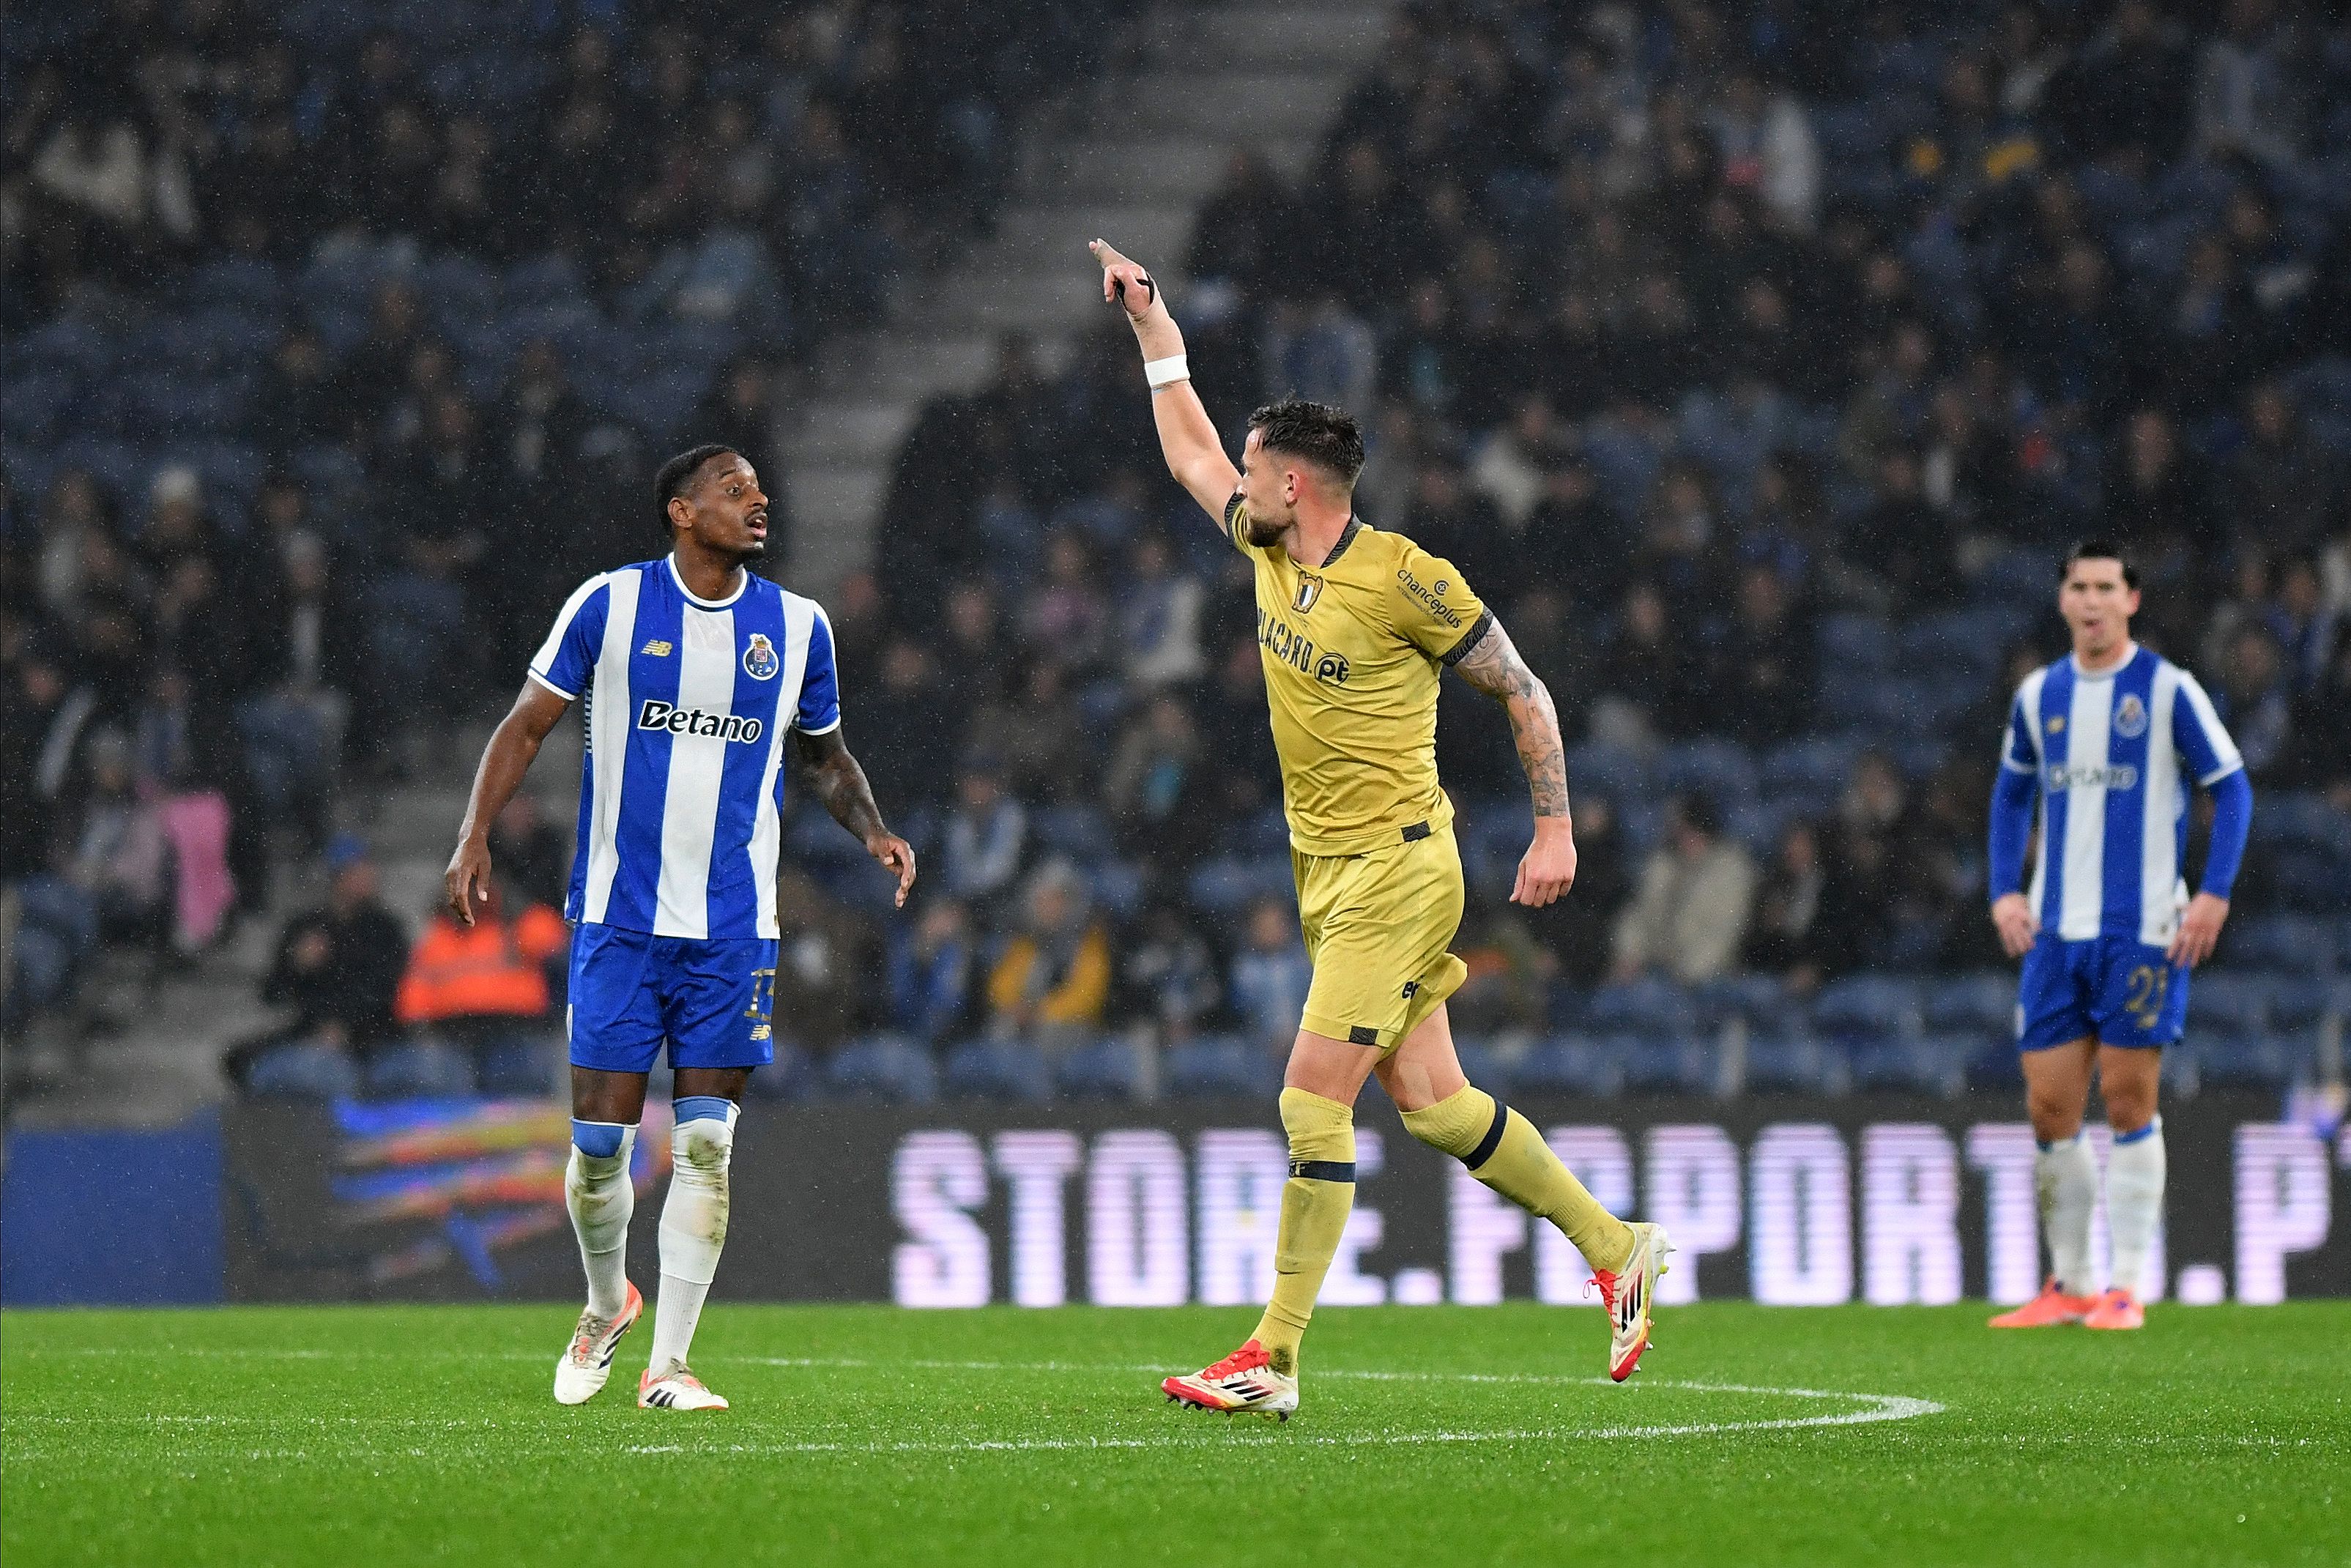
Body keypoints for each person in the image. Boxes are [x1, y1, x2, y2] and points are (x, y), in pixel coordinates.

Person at [1091, 239, 1668, 1417]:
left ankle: (1274, 1357)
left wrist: (1553, 830)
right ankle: (1617, 1247)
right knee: (1437, 1105)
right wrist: (1154, 328)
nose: (1238, 484)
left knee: (1312, 1097)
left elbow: (1522, 688)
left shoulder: (1407, 577)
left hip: (1400, 870)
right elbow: (1190, 447)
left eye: (1258, 471)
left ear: (1294, 482)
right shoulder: (1262, 546)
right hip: (1327, 873)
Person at [443, 444, 915, 1413]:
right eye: (732, 490)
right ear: (680, 510)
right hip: (618, 918)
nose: (758, 501)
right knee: (601, 1149)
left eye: (757, 489)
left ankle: (669, 1365)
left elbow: (823, 756)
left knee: (706, 1146)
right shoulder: (609, 606)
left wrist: (871, 827)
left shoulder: (796, 626)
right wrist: (474, 831)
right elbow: (528, 721)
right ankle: (605, 1299)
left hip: (734, 930)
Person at [1986, 540, 2252, 1334]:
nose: (2094, 599)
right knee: (2049, 1107)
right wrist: (2004, 890)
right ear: (2063, 599)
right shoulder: (2040, 695)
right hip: (2055, 934)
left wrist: (2213, 893)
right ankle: (2070, 1284)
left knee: (2131, 1097)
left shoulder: (2168, 691)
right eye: (2080, 586)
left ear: (2132, 599)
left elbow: (2231, 789)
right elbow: (2009, 797)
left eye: (2108, 586)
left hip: (2142, 933)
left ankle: (2128, 1284)